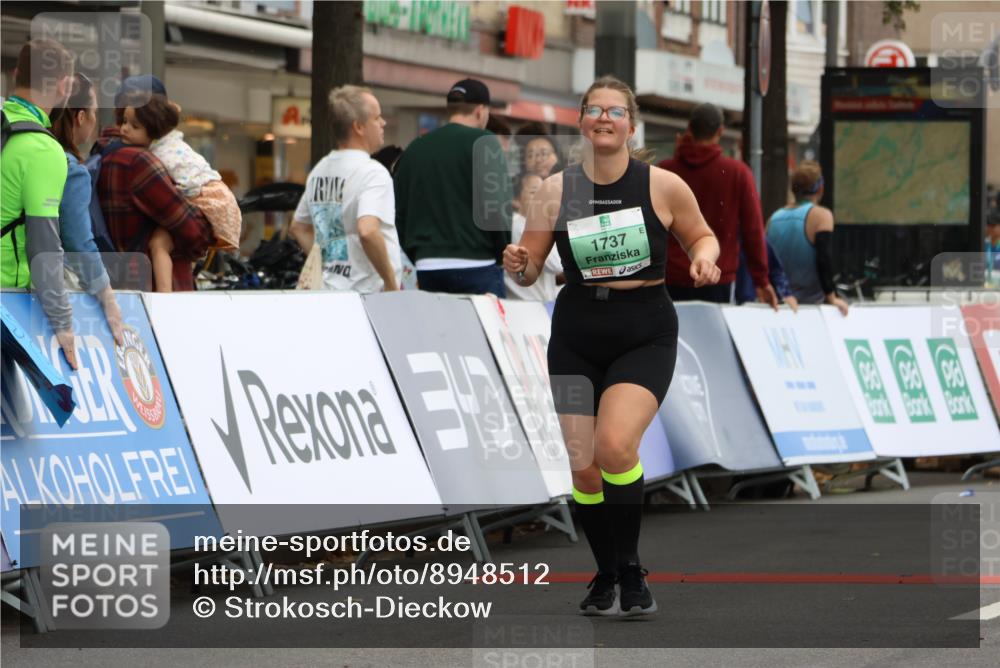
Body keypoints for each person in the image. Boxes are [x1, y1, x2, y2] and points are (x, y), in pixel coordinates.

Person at [503, 76, 721, 616]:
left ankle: (631, 568)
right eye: (594, 109)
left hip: (643, 328)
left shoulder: (662, 186)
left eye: (615, 111)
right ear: (581, 120)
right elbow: (531, 268)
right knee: (582, 465)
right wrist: (521, 263)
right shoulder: (555, 190)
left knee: (615, 447)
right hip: (577, 330)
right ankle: (606, 572)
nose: (604, 118)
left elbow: (702, 234)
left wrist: (703, 256)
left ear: (631, 124)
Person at [94, 75, 214, 292]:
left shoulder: (101, 153)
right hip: (155, 291)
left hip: (119, 286)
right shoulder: (139, 161)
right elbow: (194, 231)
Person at [394, 78, 512, 296]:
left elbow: (399, 211)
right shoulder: (484, 141)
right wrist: (502, 252)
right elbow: (497, 208)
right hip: (478, 264)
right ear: (480, 111)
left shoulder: (416, 148)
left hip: (427, 266)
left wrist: (419, 253)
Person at [1, 40, 79, 368]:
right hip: (7, 303)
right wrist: (63, 324)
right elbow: (44, 246)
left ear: (18, 73)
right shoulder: (43, 150)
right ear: (64, 86)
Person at [117, 91, 240, 292]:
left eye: (134, 126)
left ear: (153, 130)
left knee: (158, 245)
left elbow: (188, 187)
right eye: (124, 121)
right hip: (212, 195)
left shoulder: (162, 156)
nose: (124, 129)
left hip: (206, 199)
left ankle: (165, 298)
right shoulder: (167, 147)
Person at [658, 103, 776, 308]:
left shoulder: (665, 171)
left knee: (673, 338)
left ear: (689, 129)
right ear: (720, 131)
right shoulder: (737, 173)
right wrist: (761, 280)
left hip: (669, 277)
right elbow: (753, 231)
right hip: (716, 277)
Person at [289, 85, 400, 293]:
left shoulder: (319, 170)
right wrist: (391, 284)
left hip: (329, 289)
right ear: (358, 127)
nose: (383, 123)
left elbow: (298, 227)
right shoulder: (372, 173)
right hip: (367, 295)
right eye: (377, 118)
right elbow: (367, 230)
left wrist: (325, 264)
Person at [48, 72, 124, 342]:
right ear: (80, 117)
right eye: (93, 113)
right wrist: (108, 297)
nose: (94, 121)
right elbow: (78, 242)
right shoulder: (72, 170)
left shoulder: (25, 151)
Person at [766, 161, 849, 315]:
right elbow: (823, 259)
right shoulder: (821, 216)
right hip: (810, 307)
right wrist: (832, 297)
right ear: (821, 189)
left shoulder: (773, 218)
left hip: (780, 305)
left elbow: (766, 262)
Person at [504, 172, 563, 301]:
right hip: (527, 308)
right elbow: (557, 264)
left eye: (544, 192)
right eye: (534, 193)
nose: (542, 198)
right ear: (516, 201)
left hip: (543, 305)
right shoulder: (517, 225)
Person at [734, 240, 798, 311]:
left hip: (754, 305)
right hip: (729, 303)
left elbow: (776, 270)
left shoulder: (759, 241)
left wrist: (785, 293)